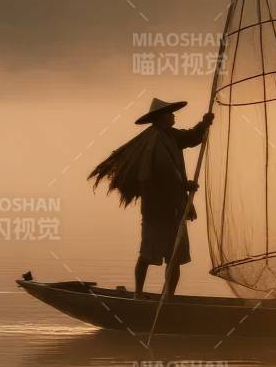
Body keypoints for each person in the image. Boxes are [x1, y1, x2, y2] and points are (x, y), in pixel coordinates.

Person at [89, 97, 214, 299]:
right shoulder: (153, 142)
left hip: (174, 209)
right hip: (156, 211)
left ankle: (168, 299)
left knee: (174, 257)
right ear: (161, 118)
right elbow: (160, 174)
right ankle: (138, 295)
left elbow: (191, 138)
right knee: (147, 255)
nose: (173, 116)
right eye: (170, 113)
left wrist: (204, 123)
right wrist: (185, 185)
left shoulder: (171, 136)